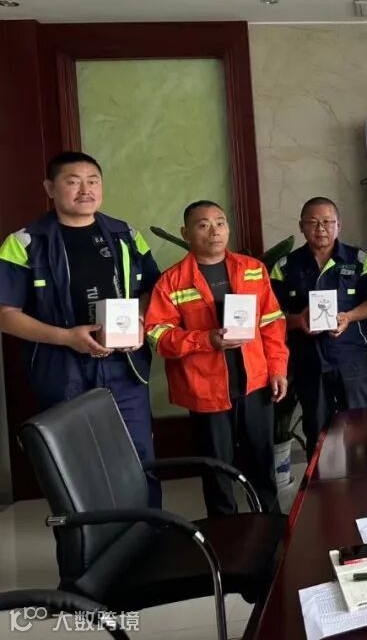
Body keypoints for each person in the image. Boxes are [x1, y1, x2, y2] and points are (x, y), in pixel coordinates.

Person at [0, 151, 162, 505]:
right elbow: (5, 314)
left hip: (124, 366)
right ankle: (91, 539)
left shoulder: (125, 234)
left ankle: (149, 532)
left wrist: (139, 321)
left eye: (93, 181)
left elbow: (153, 290)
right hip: (62, 368)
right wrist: (66, 338)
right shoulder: (26, 242)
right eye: (73, 182)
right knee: (77, 467)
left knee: (138, 457)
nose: (85, 190)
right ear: (50, 188)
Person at [144, 201, 288, 516]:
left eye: (220, 223)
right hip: (205, 390)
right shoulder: (172, 281)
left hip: (255, 384)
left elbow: (272, 323)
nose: (214, 231)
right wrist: (205, 339)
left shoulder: (252, 269)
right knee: (217, 471)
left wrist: (278, 369)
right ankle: (226, 532)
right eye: (203, 225)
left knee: (262, 464)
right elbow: (158, 335)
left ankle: (271, 526)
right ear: (186, 233)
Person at [271, 197, 367, 461]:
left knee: (360, 424)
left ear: (339, 225)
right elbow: (271, 316)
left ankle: (363, 479)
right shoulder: (285, 266)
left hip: (350, 356)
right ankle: (321, 483)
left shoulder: (359, 259)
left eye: (328, 222)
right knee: (316, 429)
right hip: (308, 359)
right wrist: (298, 320)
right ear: (301, 226)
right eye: (313, 222)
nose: (321, 228)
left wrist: (349, 317)